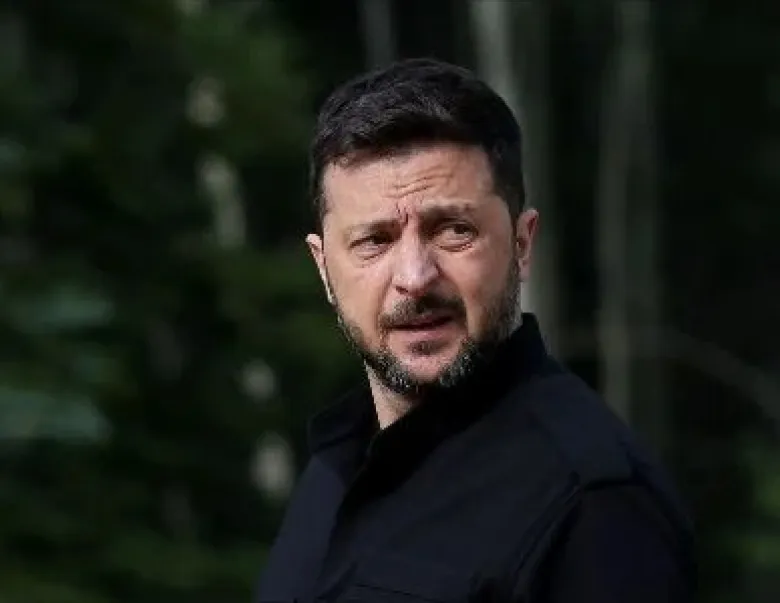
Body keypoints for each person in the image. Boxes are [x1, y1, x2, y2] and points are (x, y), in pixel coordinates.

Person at [255, 58, 695, 602]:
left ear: (522, 243)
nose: (415, 277)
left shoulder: (595, 505)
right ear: (324, 268)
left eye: (453, 230)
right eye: (374, 241)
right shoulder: (334, 466)